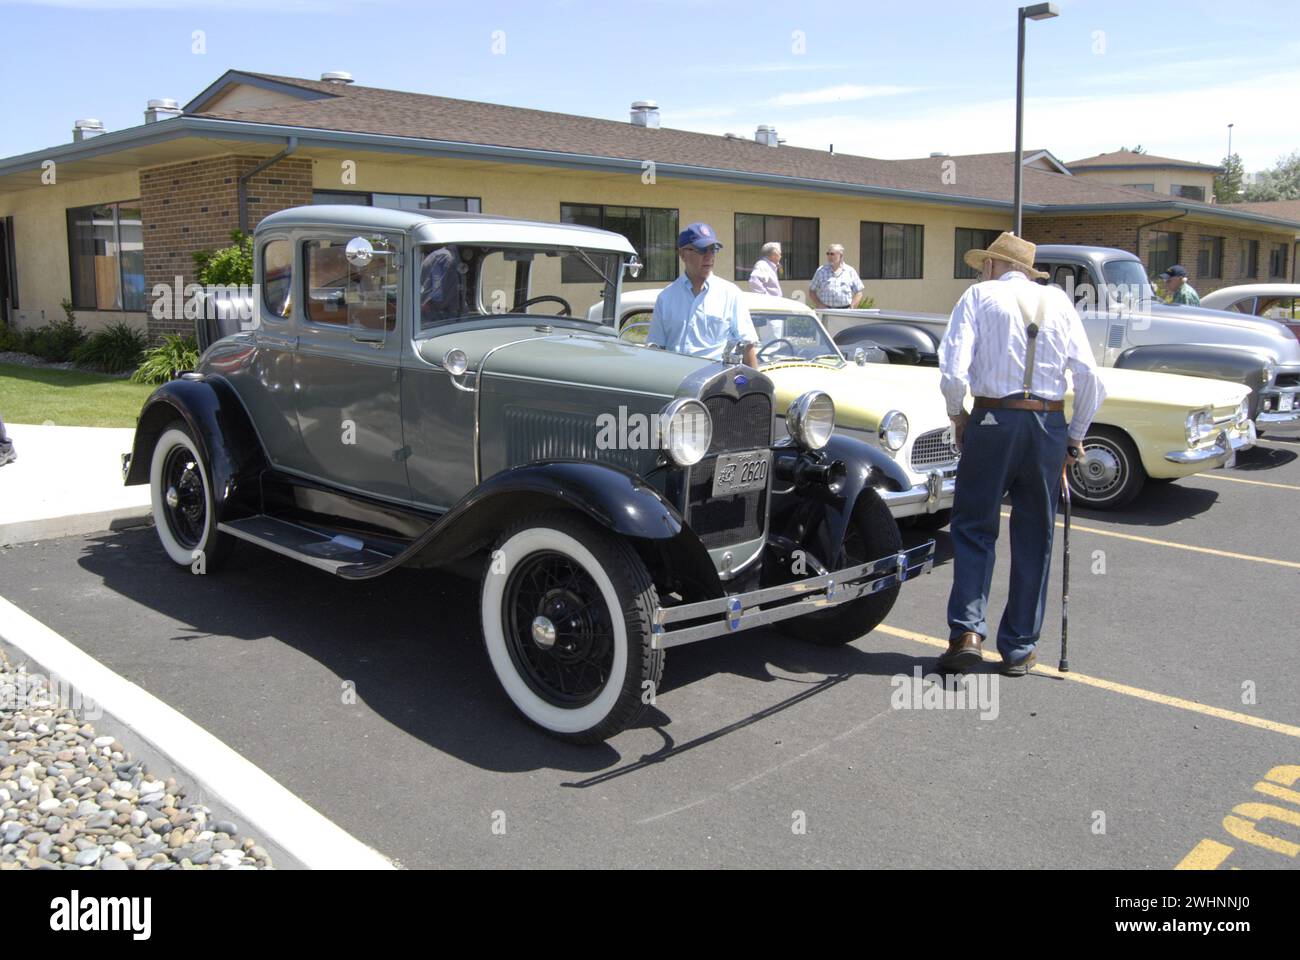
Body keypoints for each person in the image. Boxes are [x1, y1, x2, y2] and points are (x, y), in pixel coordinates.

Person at [936, 232, 1106, 677]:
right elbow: (1090, 378)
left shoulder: (978, 296)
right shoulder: (1060, 303)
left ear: (993, 264)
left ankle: (967, 633)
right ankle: (1019, 648)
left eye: (983, 264)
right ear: (1027, 271)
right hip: (1048, 423)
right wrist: (1074, 436)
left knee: (974, 527)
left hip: (994, 417)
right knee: (1034, 534)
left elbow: (953, 371)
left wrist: (958, 415)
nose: (980, 271)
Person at [648, 222, 759, 367]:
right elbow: (656, 348)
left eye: (713, 249)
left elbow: (747, 345)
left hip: (715, 383)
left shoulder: (730, 294)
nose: (709, 256)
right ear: (682, 254)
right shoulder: (666, 297)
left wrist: (755, 387)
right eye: (701, 250)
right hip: (675, 380)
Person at [808, 243, 864, 309]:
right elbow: (812, 291)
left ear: (841, 256)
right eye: (828, 254)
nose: (829, 256)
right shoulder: (821, 271)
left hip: (845, 311)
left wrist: (852, 305)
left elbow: (859, 292)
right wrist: (820, 305)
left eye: (832, 254)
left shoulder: (850, 271)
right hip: (826, 311)